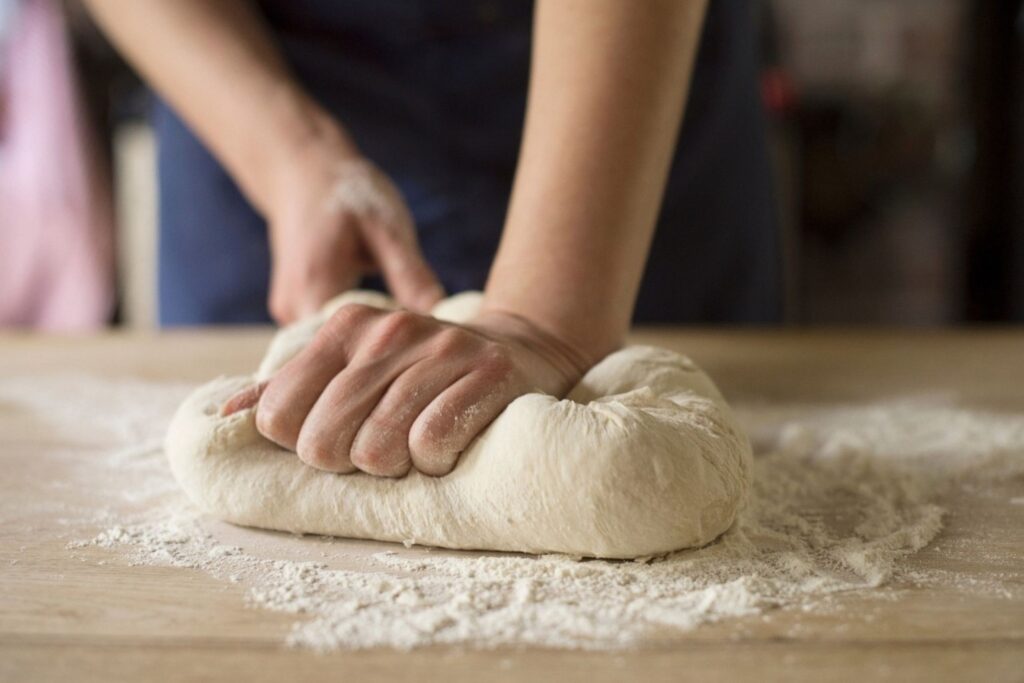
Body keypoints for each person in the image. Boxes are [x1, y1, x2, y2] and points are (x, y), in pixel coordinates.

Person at [85, 0, 780, 478]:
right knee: (267, 433)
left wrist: (547, 325)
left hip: (613, 70)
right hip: (249, 67)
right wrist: (289, 154)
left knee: (660, 459)